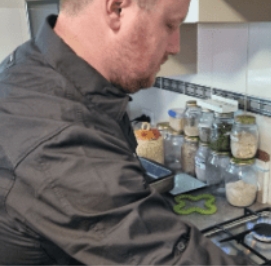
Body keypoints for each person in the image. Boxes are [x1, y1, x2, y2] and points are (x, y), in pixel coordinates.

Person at [0, 0, 252, 264]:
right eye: (170, 24)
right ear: (117, 8)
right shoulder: (58, 133)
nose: (175, 46)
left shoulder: (36, 66)